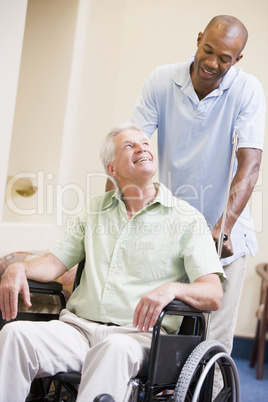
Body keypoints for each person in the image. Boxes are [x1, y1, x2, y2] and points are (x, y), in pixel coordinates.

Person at [0, 124, 224, 402]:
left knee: (113, 349)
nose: (142, 147)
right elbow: (51, 263)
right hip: (77, 329)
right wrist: (18, 267)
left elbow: (213, 293)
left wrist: (173, 289)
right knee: (15, 335)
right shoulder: (93, 210)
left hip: (137, 338)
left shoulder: (187, 219)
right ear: (112, 169)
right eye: (129, 145)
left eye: (145, 143)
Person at [128, 15, 266, 363]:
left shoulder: (247, 89)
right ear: (199, 37)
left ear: (238, 60)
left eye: (225, 58)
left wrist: (225, 226)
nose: (213, 63)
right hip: (171, 229)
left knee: (212, 344)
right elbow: (131, 147)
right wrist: (122, 210)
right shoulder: (162, 80)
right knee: (157, 334)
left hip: (225, 235)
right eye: (208, 50)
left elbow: (249, 164)